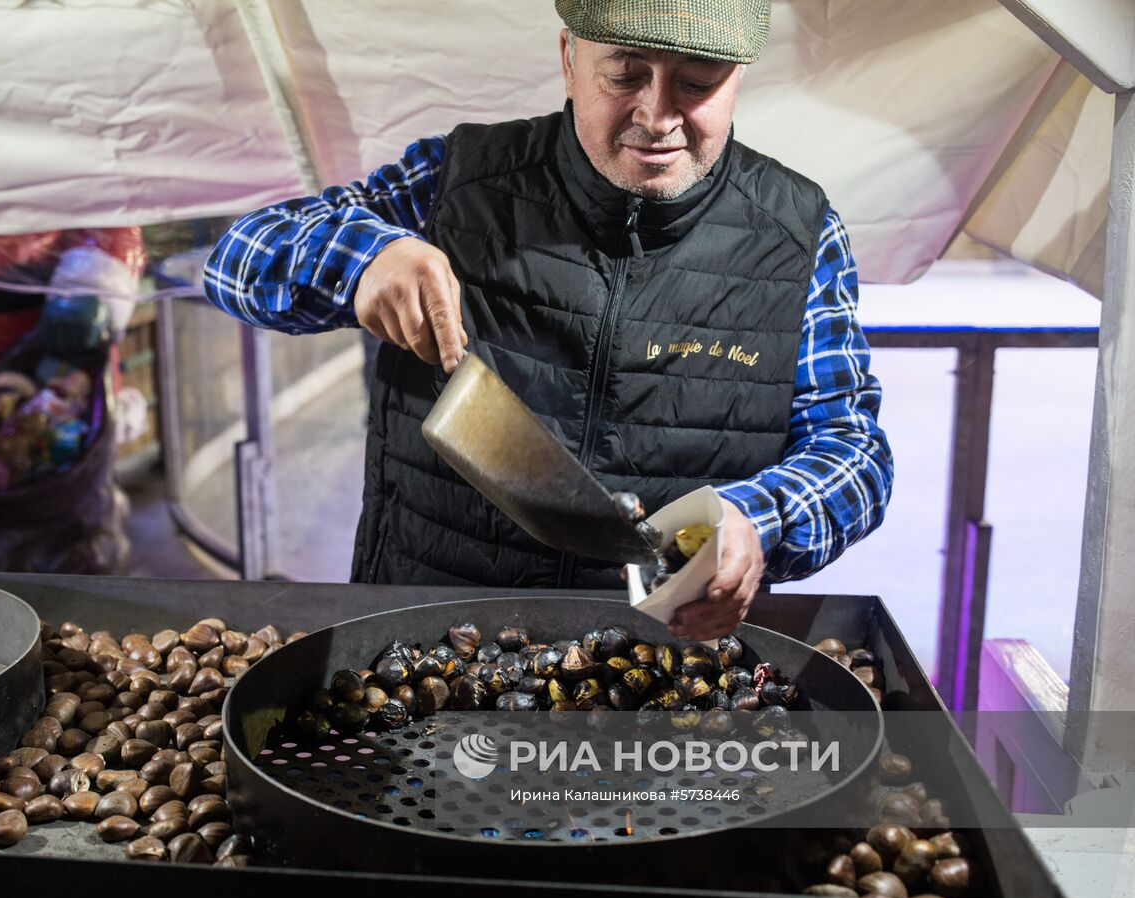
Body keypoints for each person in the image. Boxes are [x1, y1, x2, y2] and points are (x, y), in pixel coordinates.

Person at [203, 0, 893, 640]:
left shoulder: (797, 235)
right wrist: (360, 256)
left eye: (698, 81)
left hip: (657, 672)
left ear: (739, 74)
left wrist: (758, 521)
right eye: (624, 72)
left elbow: (855, 452)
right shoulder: (460, 183)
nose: (657, 116)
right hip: (418, 647)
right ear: (569, 58)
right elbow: (237, 260)